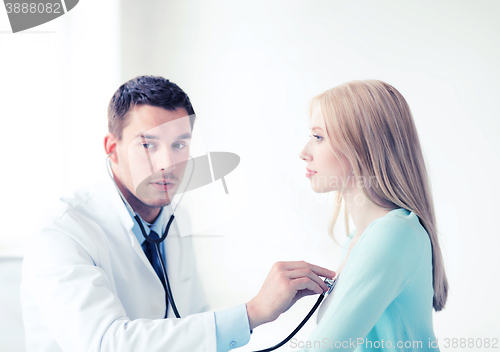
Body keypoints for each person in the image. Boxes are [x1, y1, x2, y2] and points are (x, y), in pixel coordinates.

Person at [20, 75, 336, 352]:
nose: (166, 164)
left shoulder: (173, 218)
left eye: (180, 144)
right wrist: (252, 312)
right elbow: (106, 343)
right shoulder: (62, 232)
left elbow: (190, 317)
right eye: (147, 145)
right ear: (112, 148)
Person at [296, 80, 448, 352]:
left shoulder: (393, 235)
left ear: (362, 147)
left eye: (318, 137)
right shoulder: (357, 239)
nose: (304, 153)